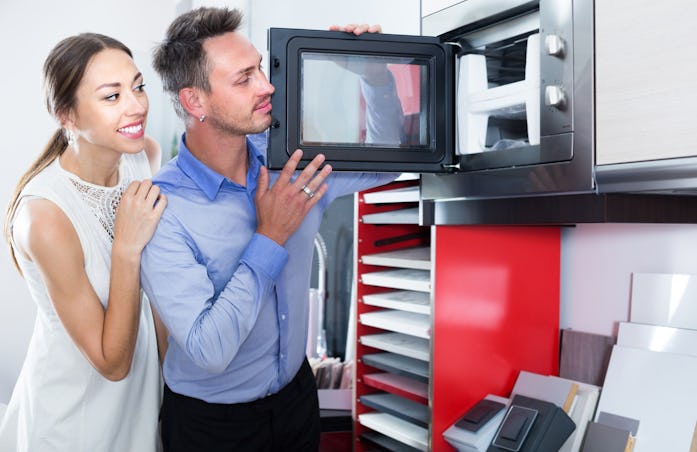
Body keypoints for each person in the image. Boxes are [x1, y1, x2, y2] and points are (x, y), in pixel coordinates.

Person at [141, 6, 401, 451]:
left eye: (260, 67)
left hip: (297, 400)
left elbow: (387, 163)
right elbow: (209, 350)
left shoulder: (291, 162)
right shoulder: (163, 207)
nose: (267, 86)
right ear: (194, 101)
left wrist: (375, 76)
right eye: (244, 79)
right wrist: (270, 237)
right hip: (212, 427)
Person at [0, 33, 167, 452]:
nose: (136, 105)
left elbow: (156, 296)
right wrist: (126, 246)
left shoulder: (142, 156)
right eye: (112, 96)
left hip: (140, 409)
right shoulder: (44, 216)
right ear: (68, 117)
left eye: (138, 86)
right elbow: (112, 363)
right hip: (72, 424)